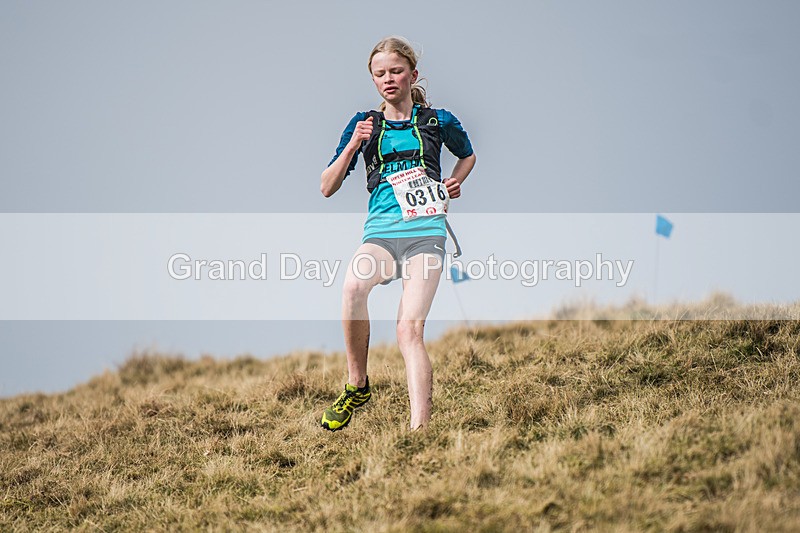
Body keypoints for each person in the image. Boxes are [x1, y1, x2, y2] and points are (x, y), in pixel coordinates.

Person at [319, 36, 476, 431]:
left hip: (426, 234)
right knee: (354, 288)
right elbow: (326, 185)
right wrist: (354, 143)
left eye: (396, 71)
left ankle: (419, 430)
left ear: (412, 75)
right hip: (382, 233)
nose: (388, 79)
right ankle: (357, 383)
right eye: (380, 74)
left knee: (409, 329)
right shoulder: (364, 125)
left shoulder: (439, 121)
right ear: (373, 80)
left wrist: (455, 181)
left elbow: (468, 155)